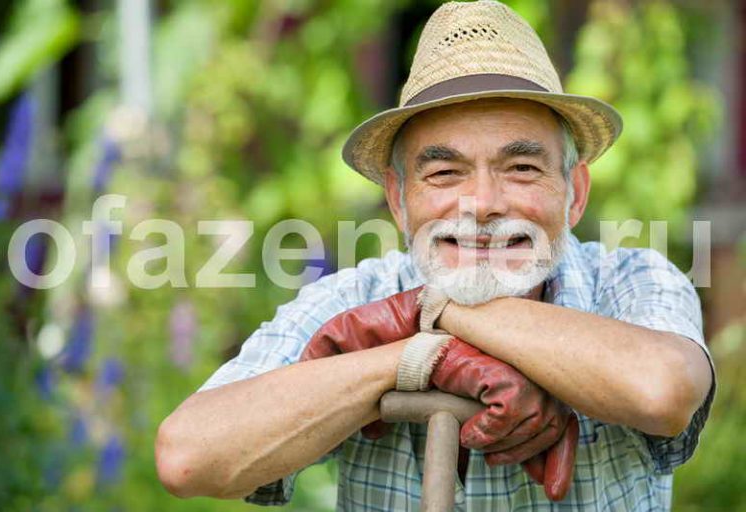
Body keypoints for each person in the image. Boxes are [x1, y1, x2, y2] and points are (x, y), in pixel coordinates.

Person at [155, 1, 715, 510]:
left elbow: (662, 389)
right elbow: (189, 456)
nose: (482, 204)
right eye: (444, 173)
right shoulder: (354, 294)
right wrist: (415, 359)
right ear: (399, 201)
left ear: (575, 194)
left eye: (521, 168)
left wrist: (435, 308)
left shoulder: (631, 278)